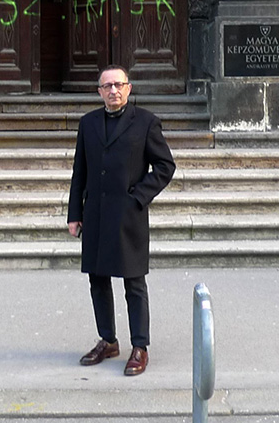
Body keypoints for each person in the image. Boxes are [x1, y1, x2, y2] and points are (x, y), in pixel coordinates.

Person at [67, 64, 176, 376]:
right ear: (99, 92)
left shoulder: (145, 123)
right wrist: (75, 213)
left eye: (118, 84)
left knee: (133, 282)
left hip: (129, 214)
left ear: (129, 88)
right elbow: (80, 171)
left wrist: (138, 196)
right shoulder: (88, 124)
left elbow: (165, 166)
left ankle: (139, 346)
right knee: (97, 279)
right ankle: (108, 340)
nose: (113, 90)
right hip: (96, 215)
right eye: (106, 86)